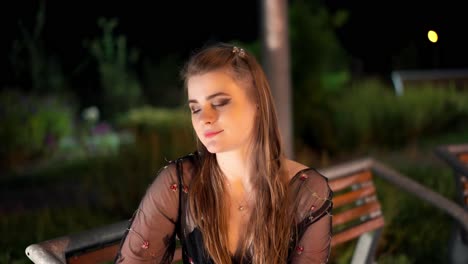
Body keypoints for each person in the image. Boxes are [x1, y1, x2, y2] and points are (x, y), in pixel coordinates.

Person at [114, 42, 333, 264]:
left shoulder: (307, 192)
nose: (203, 118)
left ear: (257, 102)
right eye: (195, 108)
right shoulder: (179, 183)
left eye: (219, 103)